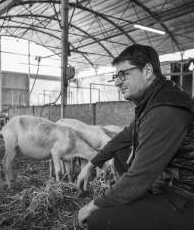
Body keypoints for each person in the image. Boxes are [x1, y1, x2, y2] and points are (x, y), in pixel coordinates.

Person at [77, 44, 194, 230]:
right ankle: (143, 200)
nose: (117, 82)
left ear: (147, 70)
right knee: (121, 152)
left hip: (185, 196)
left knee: (99, 221)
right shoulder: (157, 98)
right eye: (116, 76)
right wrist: (92, 163)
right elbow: (124, 136)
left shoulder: (165, 110)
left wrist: (93, 206)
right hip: (170, 181)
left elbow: (138, 177)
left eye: (123, 74)